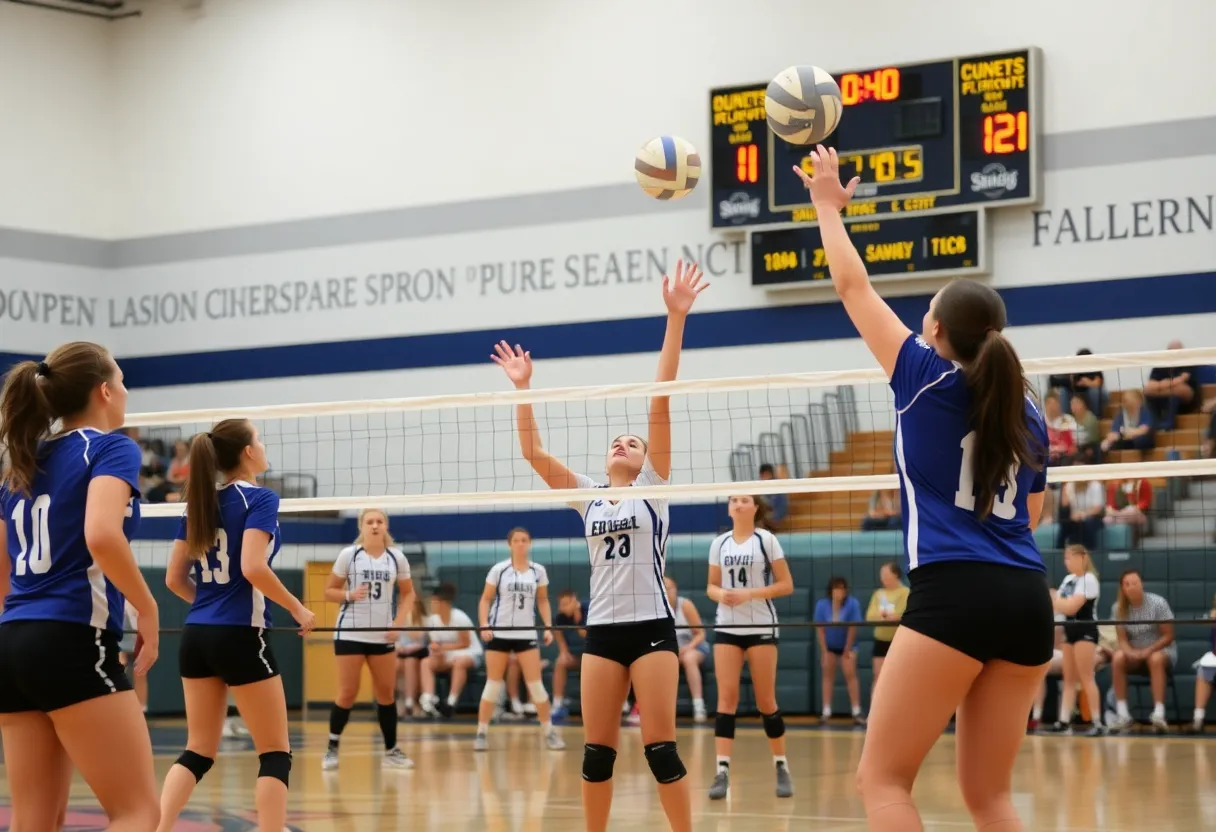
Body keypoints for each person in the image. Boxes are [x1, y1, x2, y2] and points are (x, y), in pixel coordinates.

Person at [795, 148, 1053, 832]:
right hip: (1027, 597)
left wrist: (826, 206)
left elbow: (854, 288)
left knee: (881, 780)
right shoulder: (1030, 411)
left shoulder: (922, 376)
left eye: (926, 313)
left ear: (934, 330)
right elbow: (1033, 512)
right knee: (990, 798)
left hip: (953, 592)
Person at [492, 259, 706, 832]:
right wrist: (523, 389)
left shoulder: (655, 488)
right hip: (604, 629)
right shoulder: (587, 496)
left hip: (653, 627)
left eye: (632, 441)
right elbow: (533, 455)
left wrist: (675, 318)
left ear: (643, 459)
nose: (624, 442)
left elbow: (659, 399)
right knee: (597, 753)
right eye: (618, 439)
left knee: (660, 749)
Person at [0, 343, 161, 831]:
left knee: (36, 819)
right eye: (124, 379)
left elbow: (3, 571)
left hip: (12, 642)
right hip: (72, 637)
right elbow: (101, 534)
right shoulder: (112, 447)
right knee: (138, 812)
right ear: (105, 390)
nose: (127, 391)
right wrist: (147, 607)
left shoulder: (22, 464)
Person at [158, 419, 316, 832]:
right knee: (275, 752)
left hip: (196, 636)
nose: (263, 446)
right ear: (247, 452)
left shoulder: (200, 503)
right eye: (259, 439)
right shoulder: (261, 498)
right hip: (241, 635)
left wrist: (212, 605)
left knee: (197, 751)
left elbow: (174, 580)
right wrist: (297, 608)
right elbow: (251, 566)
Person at [704, 494, 795, 801]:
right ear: (730, 508)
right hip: (728, 626)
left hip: (761, 626)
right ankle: (722, 771)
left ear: (755, 507)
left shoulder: (766, 540)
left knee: (765, 701)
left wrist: (750, 594)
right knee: (726, 700)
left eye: (744, 499)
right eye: (734, 500)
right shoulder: (720, 543)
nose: (738, 504)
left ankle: (781, 765)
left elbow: (786, 585)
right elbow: (711, 585)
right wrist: (721, 595)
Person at [322, 508, 416, 770]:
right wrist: (349, 595)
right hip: (350, 631)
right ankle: (331, 748)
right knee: (348, 692)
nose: (375, 526)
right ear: (361, 527)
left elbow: (409, 594)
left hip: (382, 634)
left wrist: (399, 623)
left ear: (386, 526)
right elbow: (329, 591)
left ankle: (391, 751)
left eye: (379, 521)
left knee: (386, 693)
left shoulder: (396, 558)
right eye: (369, 521)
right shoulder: (349, 556)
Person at [473, 527, 564, 751]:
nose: (521, 544)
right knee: (493, 685)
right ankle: (481, 732)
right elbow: (485, 600)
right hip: (500, 632)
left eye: (524, 540)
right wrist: (484, 624)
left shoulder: (538, 571)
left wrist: (548, 626)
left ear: (530, 543)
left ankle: (549, 732)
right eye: (516, 540)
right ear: (510, 544)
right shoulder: (499, 570)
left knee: (536, 685)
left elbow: (542, 600)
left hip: (525, 633)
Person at [1107, 569, 1176, 734]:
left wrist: (1148, 651)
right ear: (1122, 588)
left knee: (1155, 659)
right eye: (1127, 584)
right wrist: (1130, 653)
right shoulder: (1118, 608)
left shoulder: (1158, 603)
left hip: (1160, 650)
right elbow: (1121, 640)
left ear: (1141, 584)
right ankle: (1123, 715)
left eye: (1135, 583)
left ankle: (1159, 714)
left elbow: (1168, 636)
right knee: (1117, 658)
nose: (1131, 587)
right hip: (1134, 654)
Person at [1047, 545, 1103, 735]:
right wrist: (1063, 603)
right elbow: (1055, 606)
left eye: (1070, 558)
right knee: (1068, 679)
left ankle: (1097, 722)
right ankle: (1063, 722)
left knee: (1087, 677)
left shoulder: (1089, 580)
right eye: (1065, 558)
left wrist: (1061, 602)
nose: (1066, 562)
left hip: (1085, 629)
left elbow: (1070, 608)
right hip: (1069, 630)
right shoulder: (1068, 579)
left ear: (1083, 558)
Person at [419, 582, 482, 717]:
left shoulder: (460, 617)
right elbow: (435, 644)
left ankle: (451, 702)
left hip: (470, 653)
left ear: (444, 603)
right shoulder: (432, 620)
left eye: (434, 602)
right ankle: (429, 700)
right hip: (448, 655)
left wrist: (443, 648)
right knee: (426, 662)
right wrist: (437, 651)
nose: (431, 604)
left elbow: (466, 643)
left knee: (459, 662)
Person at [813, 577, 865, 725]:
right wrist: (825, 651)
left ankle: (856, 711)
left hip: (848, 646)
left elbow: (853, 628)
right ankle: (826, 712)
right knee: (827, 675)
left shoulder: (852, 604)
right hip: (829, 646)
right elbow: (820, 629)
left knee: (850, 674)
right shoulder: (822, 605)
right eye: (836, 588)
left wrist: (847, 650)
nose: (839, 591)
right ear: (831, 590)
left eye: (842, 588)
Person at [663, 576, 709, 723]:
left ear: (675, 589)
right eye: (662, 589)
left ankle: (698, 705)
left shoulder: (685, 605)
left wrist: (688, 647)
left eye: (668, 588)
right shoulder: (654, 609)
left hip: (692, 647)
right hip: (669, 650)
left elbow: (701, 633)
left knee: (689, 658)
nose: (666, 591)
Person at [865, 561, 909, 688]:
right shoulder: (878, 594)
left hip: (898, 641)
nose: (882, 577)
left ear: (895, 575)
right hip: (881, 640)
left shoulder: (905, 592)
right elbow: (870, 616)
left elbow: (900, 615)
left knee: (899, 677)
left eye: (885, 574)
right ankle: (876, 708)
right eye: (881, 574)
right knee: (878, 676)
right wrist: (885, 616)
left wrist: (886, 616)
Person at [551, 589, 588, 723]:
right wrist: (564, 651)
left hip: (594, 656)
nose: (562, 608)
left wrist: (579, 623)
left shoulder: (588, 609)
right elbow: (557, 633)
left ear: (575, 601)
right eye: (561, 604)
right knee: (561, 662)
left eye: (566, 604)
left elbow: (590, 636)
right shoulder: (560, 617)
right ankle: (557, 704)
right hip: (577, 657)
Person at [395, 593, 430, 718]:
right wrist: (399, 647)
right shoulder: (397, 620)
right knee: (396, 663)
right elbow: (394, 639)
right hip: (402, 653)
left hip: (419, 654)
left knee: (410, 662)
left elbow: (417, 638)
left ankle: (410, 702)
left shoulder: (425, 620)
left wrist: (408, 617)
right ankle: (398, 700)